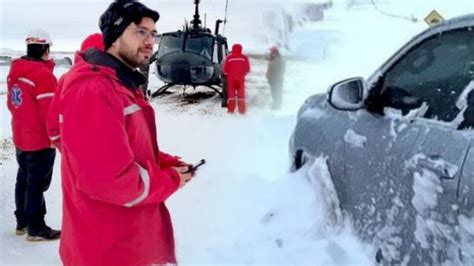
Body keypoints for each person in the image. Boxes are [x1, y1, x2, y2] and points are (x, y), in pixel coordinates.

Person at [58, 0, 194, 265]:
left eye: (153, 33)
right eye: (139, 31)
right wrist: (171, 180)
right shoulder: (94, 90)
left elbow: (128, 146)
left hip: (127, 243)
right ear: (113, 37)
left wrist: (167, 162)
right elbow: (111, 181)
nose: (149, 41)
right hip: (107, 250)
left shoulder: (121, 84)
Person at [6, 29, 61, 241]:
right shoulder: (43, 75)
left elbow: (12, 104)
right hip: (39, 140)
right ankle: (36, 228)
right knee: (37, 185)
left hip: (21, 137)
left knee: (24, 179)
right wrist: (58, 137)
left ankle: (22, 222)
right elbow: (51, 112)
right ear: (45, 50)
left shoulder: (15, 72)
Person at [46, 33, 105, 151]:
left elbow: (53, 125)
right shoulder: (113, 83)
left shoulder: (66, 79)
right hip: (103, 155)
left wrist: (64, 148)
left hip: (74, 155)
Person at [223, 43, 251, 114]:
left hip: (231, 78)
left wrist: (227, 74)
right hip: (240, 78)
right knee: (241, 94)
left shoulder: (229, 57)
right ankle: (242, 110)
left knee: (231, 94)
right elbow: (247, 69)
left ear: (232, 49)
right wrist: (243, 73)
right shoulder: (244, 58)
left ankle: (231, 110)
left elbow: (225, 69)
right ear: (241, 49)